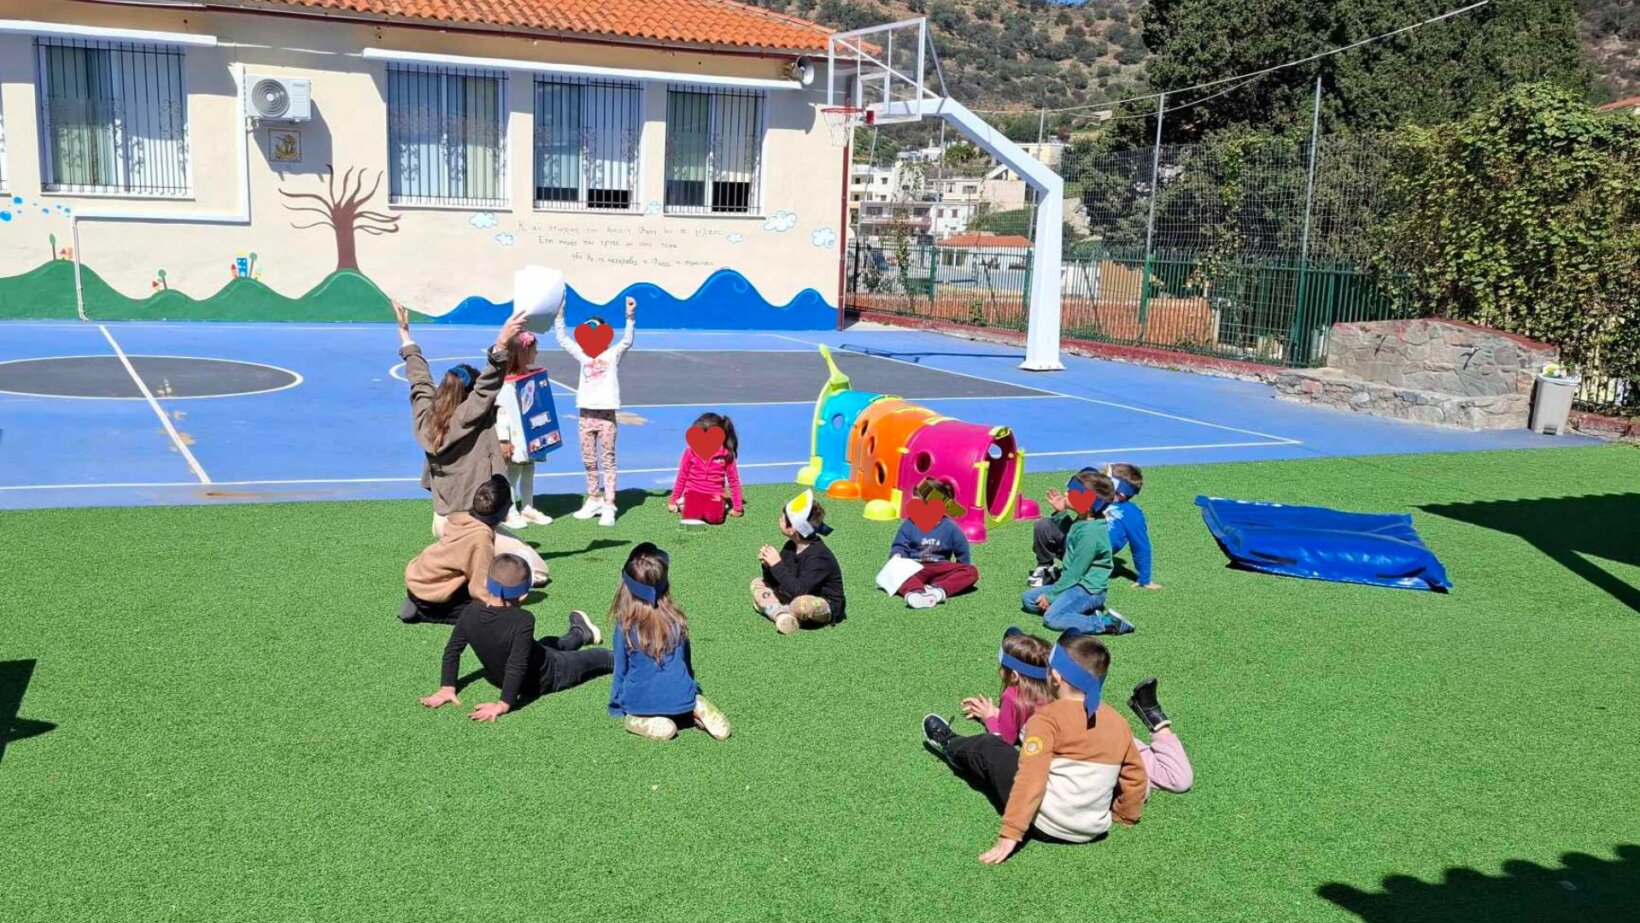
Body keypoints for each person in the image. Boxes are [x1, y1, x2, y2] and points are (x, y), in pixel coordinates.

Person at [922, 632, 1148, 864]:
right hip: (1093, 828)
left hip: (1046, 824)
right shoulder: (1118, 721)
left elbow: (1031, 777)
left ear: (1055, 677)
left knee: (990, 747)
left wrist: (1011, 832)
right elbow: (1135, 775)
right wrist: (1126, 815)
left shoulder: (1047, 718)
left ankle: (949, 744)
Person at [393, 301, 547, 584]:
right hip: (473, 523)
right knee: (537, 571)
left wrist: (406, 337)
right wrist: (502, 342)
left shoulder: (426, 417)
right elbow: (488, 385)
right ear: (469, 396)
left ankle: (454, 556)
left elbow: (419, 381)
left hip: (442, 520)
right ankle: (467, 563)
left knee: (484, 554)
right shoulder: (468, 417)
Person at [418, 553, 611, 721]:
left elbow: (452, 651)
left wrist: (447, 687)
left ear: (486, 583)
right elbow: (516, 664)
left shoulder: (469, 612)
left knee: (548, 643)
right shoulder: (523, 619)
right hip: (549, 675)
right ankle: (618, 653)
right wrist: (504, 703)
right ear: (523, 596)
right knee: (600, 656)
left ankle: (580, 633)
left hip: (511, 673)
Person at [607, 543, 731, 741]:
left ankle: (647, 721)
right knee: (683, 691)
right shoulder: (677, 620)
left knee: (631, 714)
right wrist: (691, 688)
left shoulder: (625, 626)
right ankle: (695, 705)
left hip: (640, 702)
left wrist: (616, 705)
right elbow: (686, 663)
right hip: (682, 696)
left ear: (626, 587)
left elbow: (620, 669)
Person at [554, 296, 637, 527]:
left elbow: (627, 341)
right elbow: (562, 339)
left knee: (608, 460)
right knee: (589, 460)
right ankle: (593, 499)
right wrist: (560, 314)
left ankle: (609, 504)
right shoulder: (582, 355)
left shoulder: (612, 355)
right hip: (585, 415)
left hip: (606, 416)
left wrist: (630, 316)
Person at [1020, 471, 1133, 635]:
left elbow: (1074, 573)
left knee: (1052, 618)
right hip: (1073, 585)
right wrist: (1060, 512)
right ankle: (1081, 611)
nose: (1066, 493)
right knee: (1029, 599)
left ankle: (1106, 623)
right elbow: (1070, 536)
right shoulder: (1085, 518)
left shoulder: (1090, 535)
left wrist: (1051, 596)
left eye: (1071, 493)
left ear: (1087, 504)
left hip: (1087, 590)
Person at [399, 475, 511, 624]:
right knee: (480, 614)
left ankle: (416, 601)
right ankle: (421, 613)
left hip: (419, 580)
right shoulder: (481, 540)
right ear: (505, 515)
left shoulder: (464, 519)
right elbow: (480, 587)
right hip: (429, 595)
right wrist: (497, 607)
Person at [751, 490, 846, 635]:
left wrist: (776, 564)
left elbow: (800, 591)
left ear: (792, 529)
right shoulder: (790, 546)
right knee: (758, 583)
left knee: (802, 605)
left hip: (821, 602)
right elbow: (778, 581)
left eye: (783, 517)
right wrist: (768, 566)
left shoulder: (819, 557)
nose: (780, 518)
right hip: (793, 594)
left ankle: (774, 609)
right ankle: (782, 615)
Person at [887, 476, 978, 609]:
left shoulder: (950, 527)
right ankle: (914, 593)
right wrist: (898, 556)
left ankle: (938, 592)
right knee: (894, 570)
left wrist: (960, 571)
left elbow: (962, 551)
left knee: (971, 571)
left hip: (940, 569)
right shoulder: (909, 524)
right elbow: (900, 545)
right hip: (914, 567)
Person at [494, 330, 553, 530]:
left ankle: (528, 507)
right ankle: (509, 511)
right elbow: (502, 412)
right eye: (534, 350)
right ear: (522, 353)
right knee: (513, 472)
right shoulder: (506, 382)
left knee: (529, 469)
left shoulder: (530, 377)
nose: (536, 353)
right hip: (515, 436)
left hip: (531, 433)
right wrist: (504, 439)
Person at [959, 627, 1054, 745]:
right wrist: (996, 712)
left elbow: (1005, 739)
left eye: (1002, 666)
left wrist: (988, 717)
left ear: (1014, 675)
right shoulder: (1054, 690)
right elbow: (1022, 716)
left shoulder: (1013, 696)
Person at [667, 412, 744, 525]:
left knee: (715, 519)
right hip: (693, 491)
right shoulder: (689, 452)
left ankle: (722, 504)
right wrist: (673, 501)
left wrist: (738, 507)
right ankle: (685, 501)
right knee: (691, 517)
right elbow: (681, 477)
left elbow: (734, 481)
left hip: (714, 493)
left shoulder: (727, 454)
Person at [1105, 463, 1160, 590]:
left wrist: (1144, 578)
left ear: (1120, 493)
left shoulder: (1132, 514)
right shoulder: (1097, 498)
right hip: (1074, 542)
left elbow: (1140, 546)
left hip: (1091, 552)